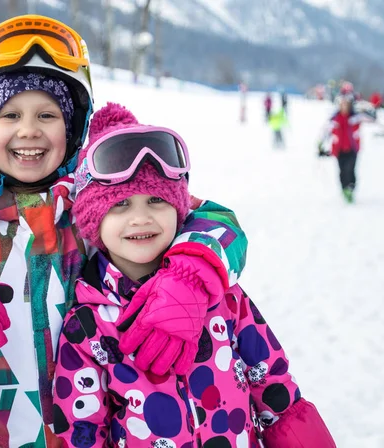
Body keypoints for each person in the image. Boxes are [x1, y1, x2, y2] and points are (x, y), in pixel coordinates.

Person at [0, 15, 249, 447]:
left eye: (47, 114)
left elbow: (215, 221)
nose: (29, 130)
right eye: (9, 114)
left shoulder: (101, 206)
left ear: (73, 127)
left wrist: (187, 279)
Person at [53, 102, 336, 447]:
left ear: (180, 209)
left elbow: (272, 383)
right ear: (93, 221)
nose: (141, 218)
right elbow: (81, 431)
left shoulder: (221, 294)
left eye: (156, 201)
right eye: (120, 205)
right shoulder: (88, 323)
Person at [318, 94, 374, 203]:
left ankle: (351, 189)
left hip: (352, 149)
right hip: (339, 150)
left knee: (350, 169)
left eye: (346, 104)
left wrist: (366, 111)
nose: (344, 107)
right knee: (342, 171)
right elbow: (325, 133)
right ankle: (344, 189)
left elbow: (371, 119)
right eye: (342, 104)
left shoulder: (355, 117)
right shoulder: (335, 119)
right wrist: (320, 145)